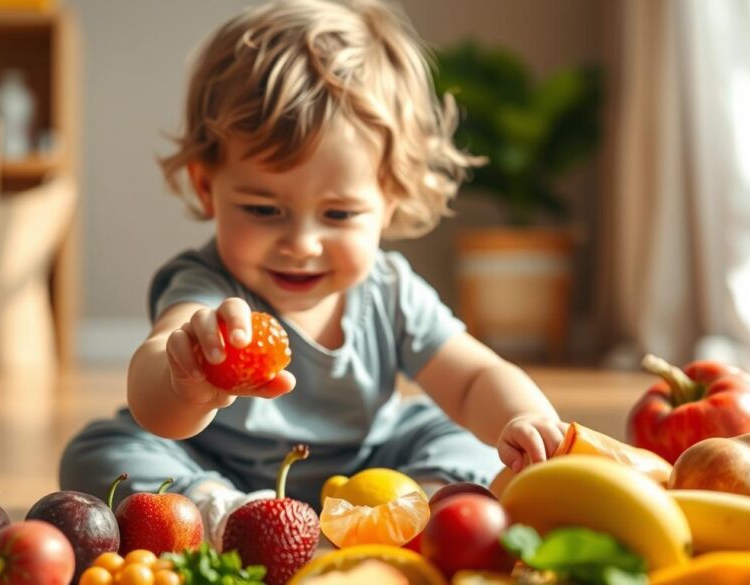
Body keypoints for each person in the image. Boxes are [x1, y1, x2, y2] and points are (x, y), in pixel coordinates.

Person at [60, 0, 566, 549]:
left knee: (457, 438)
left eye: (339, 215)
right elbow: (153, 392)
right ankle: (225, 516)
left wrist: (525, 419)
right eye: (263, 209)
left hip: (370, 471)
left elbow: (471, 380)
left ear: (389, 201)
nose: (301, 245)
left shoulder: (390, 291)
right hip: (214, 465)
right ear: (208, 187)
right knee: (99, 452)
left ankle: (407, 510)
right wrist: (188, 383)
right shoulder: (209, 287)